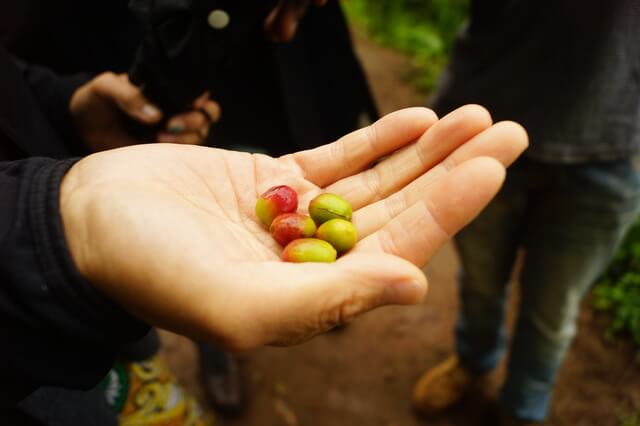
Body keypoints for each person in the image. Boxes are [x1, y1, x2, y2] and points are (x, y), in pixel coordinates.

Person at [0, 39, 529, 423]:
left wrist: (63, 104)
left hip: (68, 281)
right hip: (27, 359)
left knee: (138, 368)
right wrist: (54, 223)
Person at [2, 0, 378, 412]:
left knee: (301, 141)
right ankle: (211, 340)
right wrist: (52, 233)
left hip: (271, 48)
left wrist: (62, 106)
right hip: (121, 38)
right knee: (196, 215)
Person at [412, 1, 640, 424]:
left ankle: (522, 410)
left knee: (552, 314)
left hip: (613, 146)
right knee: (481, 282)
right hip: (487, 125)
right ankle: (474, 363)